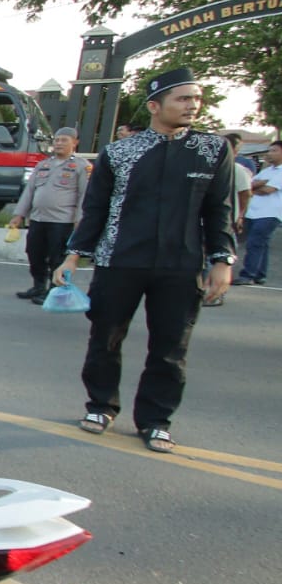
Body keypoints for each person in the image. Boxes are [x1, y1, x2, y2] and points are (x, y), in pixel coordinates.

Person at [56, 67, 236, 454]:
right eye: (183, 98)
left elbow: (218, 210)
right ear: (155, 106)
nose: (192, 105)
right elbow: (96, 209)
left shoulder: (212, 149)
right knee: (105, 338)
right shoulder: (120, 153)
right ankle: (101, 406)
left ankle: (156, 420)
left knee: (171, 347)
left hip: (180, 265)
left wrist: (221, 259)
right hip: (119, 261)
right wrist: (73, 256)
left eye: (196, 99)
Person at [9, 126, 89, 303]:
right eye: (57, 140)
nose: (59, 143)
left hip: (62, 222)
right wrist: (19, 214)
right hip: (38, 219)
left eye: (64, 140)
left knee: (57, 257)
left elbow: (85, 195)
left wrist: (79, 219)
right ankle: (38, 286)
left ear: (75, 143)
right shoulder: (43, 164)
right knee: (34, 252)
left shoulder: (81, 166)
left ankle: (54, 291)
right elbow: (29, 191)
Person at [233, 140, 282, 287]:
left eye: (274, 150)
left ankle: (248, 275)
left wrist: (255, 187)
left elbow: (268, 190)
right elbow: (248, 185)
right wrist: (259, 184)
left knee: (255, 242)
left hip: (270, 213)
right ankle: (260, 274)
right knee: (262, 244)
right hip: (254, 213)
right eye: (269, 150)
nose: (269, 153)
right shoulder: (267, 171)